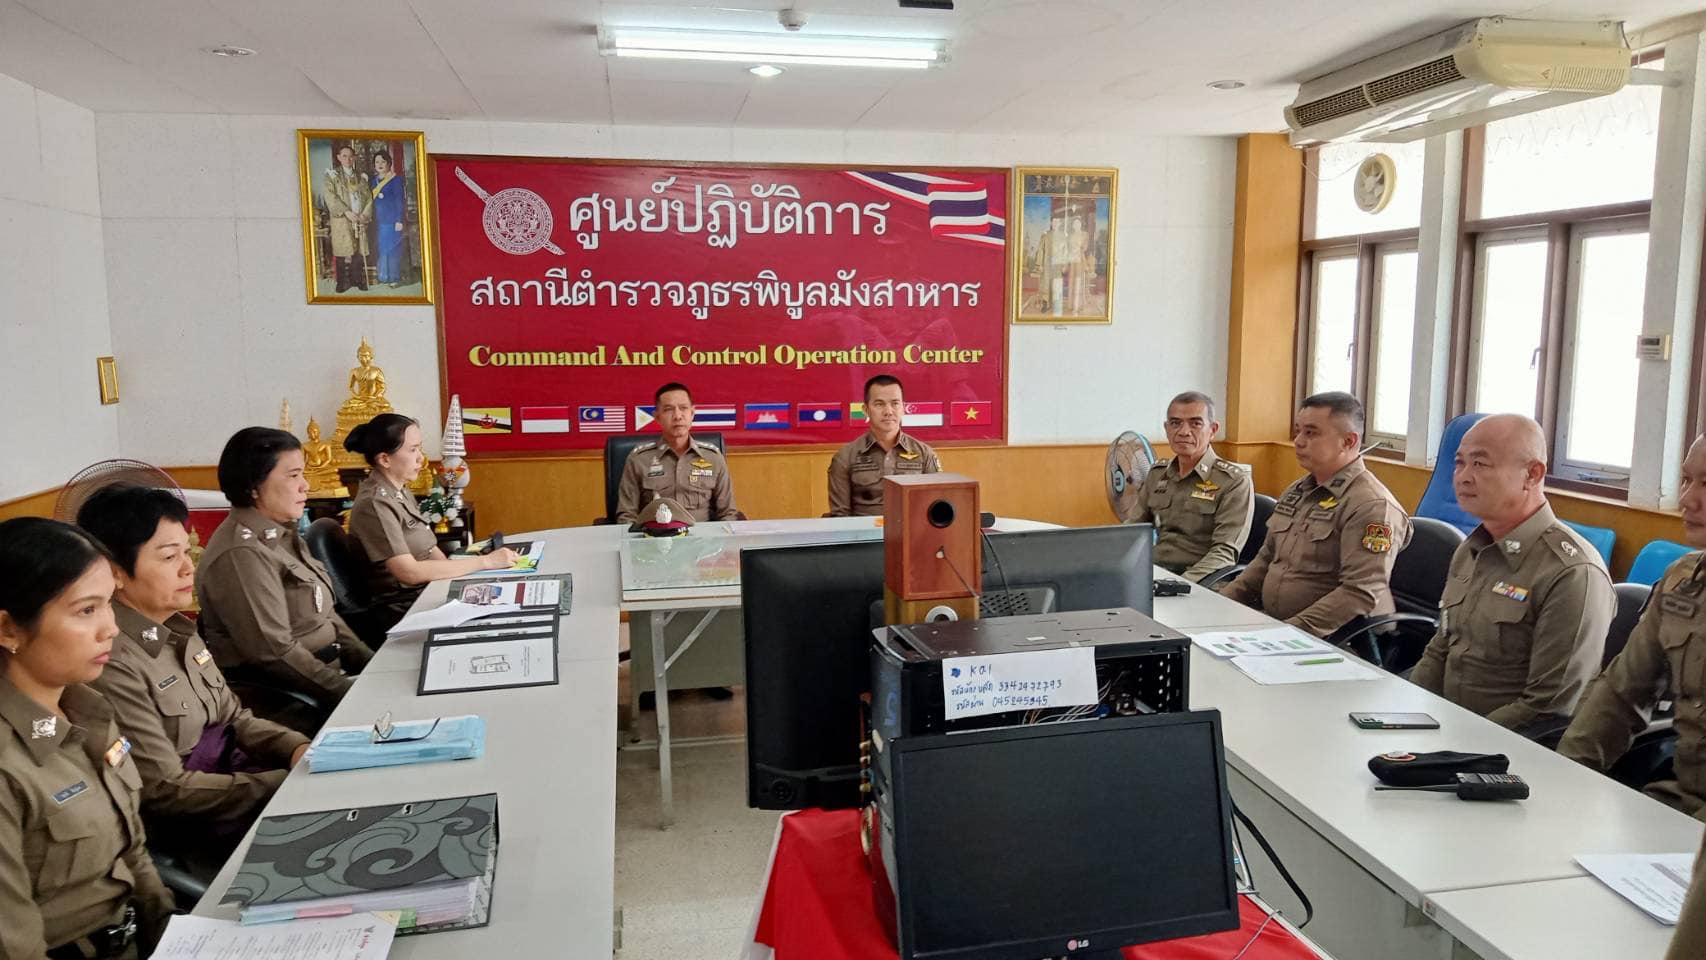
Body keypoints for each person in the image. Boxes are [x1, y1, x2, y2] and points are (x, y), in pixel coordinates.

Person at [76, 485, 310, 870]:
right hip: (206, 830)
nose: (188, 567)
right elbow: (166, 789)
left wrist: (297, 749)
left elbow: (235, 718)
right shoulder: (111, 662)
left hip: (246, 789)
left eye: (186, 551)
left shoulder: (177, 629)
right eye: (170, 556)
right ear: (115, 572)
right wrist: (283, 782)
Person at [0, 517, 175, 959]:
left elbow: (132, 853)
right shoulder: (7, 765)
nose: (110, 628)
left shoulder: (86, 709)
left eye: (108, 604)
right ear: (8, 629)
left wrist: (172, 931)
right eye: (86, 610)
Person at [1408, 415, 1613, 731]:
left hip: (1510, 744)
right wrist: (1405, 711)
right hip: (1447, 724)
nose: (1463, 476)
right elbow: (1441, 649)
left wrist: (1459, 741)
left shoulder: (1572, 572)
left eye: (1480, 464)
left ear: (1532, 474)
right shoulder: (1472, 549)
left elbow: (1549, 706)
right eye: (1460, 463)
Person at [1559, 433, 1706, 820]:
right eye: (1686, 480)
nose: (1687, 499)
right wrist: (1560, 778)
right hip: (1678, 802)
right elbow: (1622, 692)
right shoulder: (1682, 581)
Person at [196, 428, 373, 728]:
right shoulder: (242, 553)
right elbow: (273, 652)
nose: (306, 485)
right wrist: (350, 695)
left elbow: (326, 617)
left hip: (325, 682)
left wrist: (374, 667)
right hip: (292, 703)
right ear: (254, 486)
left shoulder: (282, 535)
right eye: (293, 476)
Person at [1221, 392, 1411, 639]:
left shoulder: (1371, 505)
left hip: (1333, 639)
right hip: (1273, 625)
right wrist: (1221, 603)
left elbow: (1360, 591)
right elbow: (1266, 558)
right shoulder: (1299, 490)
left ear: (1348, 441)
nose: (1298, 441)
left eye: (1311, 433)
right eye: (1298, 431)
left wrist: (1287, 633)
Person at [344, 414, 518, 629]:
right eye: (412, 450)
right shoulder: (375, 503)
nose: (421, 458)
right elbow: (409, 572)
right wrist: (485, 562)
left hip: (427, 591)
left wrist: (459, 578)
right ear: (385, 460)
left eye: (420, 448)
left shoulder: (399, 490)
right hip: (403, 606)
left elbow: (430, 549)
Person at [1130, 391, 1253, 581]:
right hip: (1155, 572)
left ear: (1212, 430)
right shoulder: (1157, 474)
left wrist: (1179, 583)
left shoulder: (1234, 481)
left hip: (1202, 580)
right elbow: (1133, 529)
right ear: (1166, 428)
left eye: (1195, 424)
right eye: (1175, 423)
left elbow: (1224, 552)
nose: (1183, 432)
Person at [617, 383, 737, 524]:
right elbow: (627, 516)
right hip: (654, 536)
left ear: (692, 413)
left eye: (683, 408)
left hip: (702, 536)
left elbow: (728, 514)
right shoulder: (639, 459)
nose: (677, 416)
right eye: (668, 409)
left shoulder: (713, 457)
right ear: (657, 417)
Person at [827, 374, 942, 517]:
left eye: (895, 403)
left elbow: (936, 508)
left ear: (903, 408)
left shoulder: (925, 454)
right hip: (863, 531)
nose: (888, 411)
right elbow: (840, 517)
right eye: (879, 404)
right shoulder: (845, 457)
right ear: (865, 409)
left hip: (912, 530)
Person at [323, 144, 371, 292]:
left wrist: (364, 214)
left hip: (359, 217)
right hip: (342, 219)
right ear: (339, 157)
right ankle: (341, 282)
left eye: (351, 156)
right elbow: (330, 196)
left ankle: (356, 279)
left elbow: (369, 197)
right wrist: (346, 212)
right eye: (344, 156)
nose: (348, 159)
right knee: (342, 250)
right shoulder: (332, 176)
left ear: (354, 158)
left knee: (358, 250)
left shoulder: (360, 176)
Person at [370, 151, 407, 287]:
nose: (380, 164)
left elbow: (399, 201)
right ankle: (383, 276)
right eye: (377, 162)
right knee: (382, 248)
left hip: (391, 221)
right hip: (378, 221)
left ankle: (394, 278)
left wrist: (399, 220)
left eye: (383, 162)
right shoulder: (373, 181)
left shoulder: (396, 180)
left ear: (389, 163)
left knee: (392, 249)